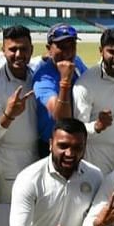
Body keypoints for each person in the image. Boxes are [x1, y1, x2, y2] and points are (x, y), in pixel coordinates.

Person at [0, 25, 38, 203]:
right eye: (13, 49)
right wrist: (9, 115)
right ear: (3, 51)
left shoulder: (36, 73)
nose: (19, 54)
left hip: (38, 155)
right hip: (9, 161)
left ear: (31, 50)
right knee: (11, 215)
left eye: (24, 49)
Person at [73, 28, 114, 174]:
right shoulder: (86, 83)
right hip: (96, 155)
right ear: (101, 51)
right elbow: (77, 128)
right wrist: (97, 126)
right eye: (111, 52)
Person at [32, 23, 88, 158]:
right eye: (61, 47)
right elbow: (61, 118)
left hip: (77, 140)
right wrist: (65, 82)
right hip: (53, 145)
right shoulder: (43, 76)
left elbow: (91, 82)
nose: (68, 53)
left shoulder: (77, 62)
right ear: (49, 49)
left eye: (72, 46)